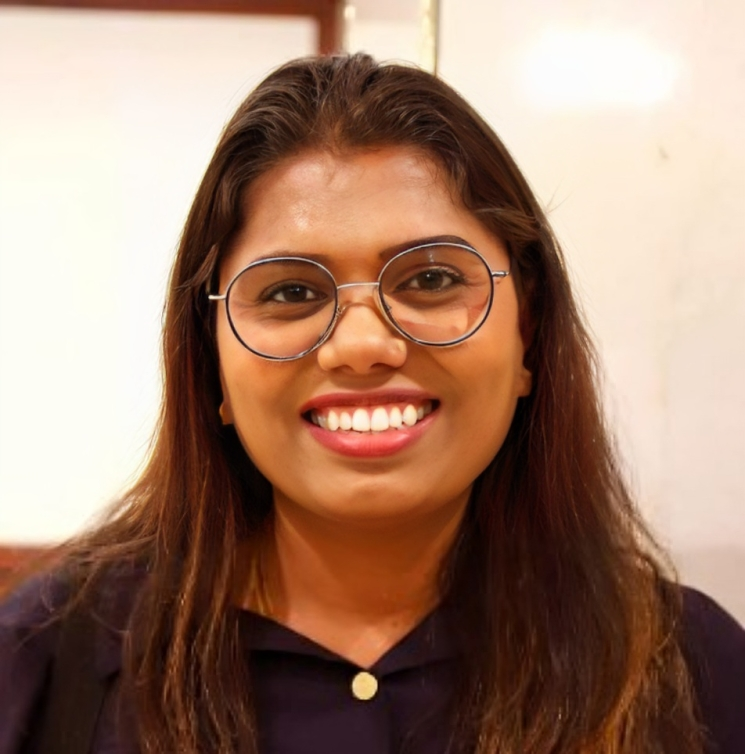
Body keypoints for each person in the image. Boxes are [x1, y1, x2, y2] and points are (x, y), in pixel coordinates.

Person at [1, 53, 743, 754]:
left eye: (428, 281)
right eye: (291, 293)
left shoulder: (691, 670)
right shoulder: (46, 665)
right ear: (210, 364)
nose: (362, 345)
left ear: (527, 335)